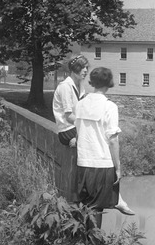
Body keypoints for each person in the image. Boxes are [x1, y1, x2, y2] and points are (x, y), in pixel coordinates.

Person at [75, 67, 135, 229]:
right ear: (109, 83)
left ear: (92, 83)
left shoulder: (80, 104)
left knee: (85, 207)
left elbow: (78, 131)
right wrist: (118, 167)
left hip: (82, 163)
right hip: (101, 163)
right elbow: (113, 140)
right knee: (96, 210)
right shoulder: (109, 107)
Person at [52, 55, 89, 148]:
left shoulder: (80, 86)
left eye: (86, 67)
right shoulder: (65, 86)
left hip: (76, 126)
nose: (85, 70)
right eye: (82, 67)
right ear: (74, 69)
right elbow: (68, 116)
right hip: (67, 129)